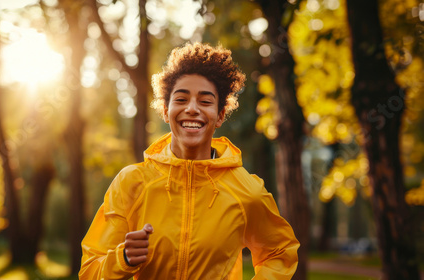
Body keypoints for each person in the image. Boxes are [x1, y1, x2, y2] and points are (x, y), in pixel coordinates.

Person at [79, 42, 299, 280]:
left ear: (220, 115)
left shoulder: (247, 191)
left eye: (205, 101)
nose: (192, 109)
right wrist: (123, 259)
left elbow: (279, 252)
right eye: (181, 99)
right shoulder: (131, 183)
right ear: (165, 110)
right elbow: (90, 271)